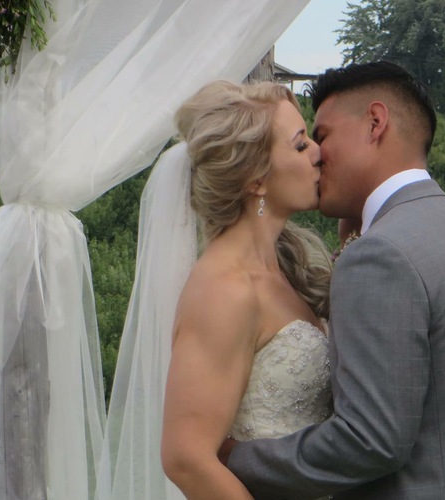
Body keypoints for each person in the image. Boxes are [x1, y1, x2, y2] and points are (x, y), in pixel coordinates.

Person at [223, 61, 445, 499]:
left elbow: (370, 441)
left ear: (375, 122)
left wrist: (237, 457)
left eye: (323, 135)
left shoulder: (380, 254)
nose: (316, 154)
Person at [153, 80, 334, 499]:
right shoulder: (225, 289)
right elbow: (185, 457)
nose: (318, 153)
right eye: (300, 144)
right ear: (256, 180)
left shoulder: (283, 268)